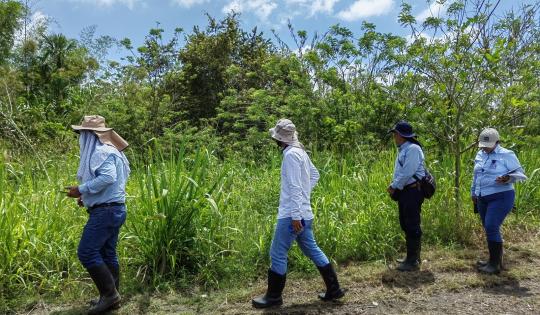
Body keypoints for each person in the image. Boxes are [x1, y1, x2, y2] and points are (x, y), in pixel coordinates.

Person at [251, 119, 346, 309]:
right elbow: (315, 175)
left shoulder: (290, 155)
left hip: (292, 215)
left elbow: (295, 187)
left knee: (277, 253)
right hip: (305, 213)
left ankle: (274, 297)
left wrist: (296, 214)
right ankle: (334, 289)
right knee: (312, 249)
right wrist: (304, 199)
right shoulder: (300, 152)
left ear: (279, 139)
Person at [65, 115, 130, 314]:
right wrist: (88, 197)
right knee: (107, 253)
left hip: (106, 212)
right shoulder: (112, 151)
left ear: (90, 134)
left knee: (87, 252)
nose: (80, 138)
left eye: (81, 133)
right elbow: (114, 182)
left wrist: (81, 189)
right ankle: (112, 297)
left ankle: (110, 295)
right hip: (115, 208)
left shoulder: (100, 152)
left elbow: (108, 178)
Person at [471, 128, 527, 274]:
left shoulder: (507, 154)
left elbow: (520, 174)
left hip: (501, 195)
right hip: (482, 196)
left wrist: (508, 178)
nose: (484, 147)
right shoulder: (480, 154)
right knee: (488, 227)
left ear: (497, 142)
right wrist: (474, 192)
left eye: (487, 145)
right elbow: (476, 175)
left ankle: (494, 265)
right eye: (482, 144)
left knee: (491, 226)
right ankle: (494, 260)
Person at [387, 121, 426, 272]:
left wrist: (394, 186)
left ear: (401, 135)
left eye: (395, 134)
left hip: (412, 191)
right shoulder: (404, 149)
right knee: (405, 223)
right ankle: (412, 257)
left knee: (412, 223)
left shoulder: (413, 149)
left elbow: (408, 172)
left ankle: (413, 261)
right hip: (406, 191)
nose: (394, 137)